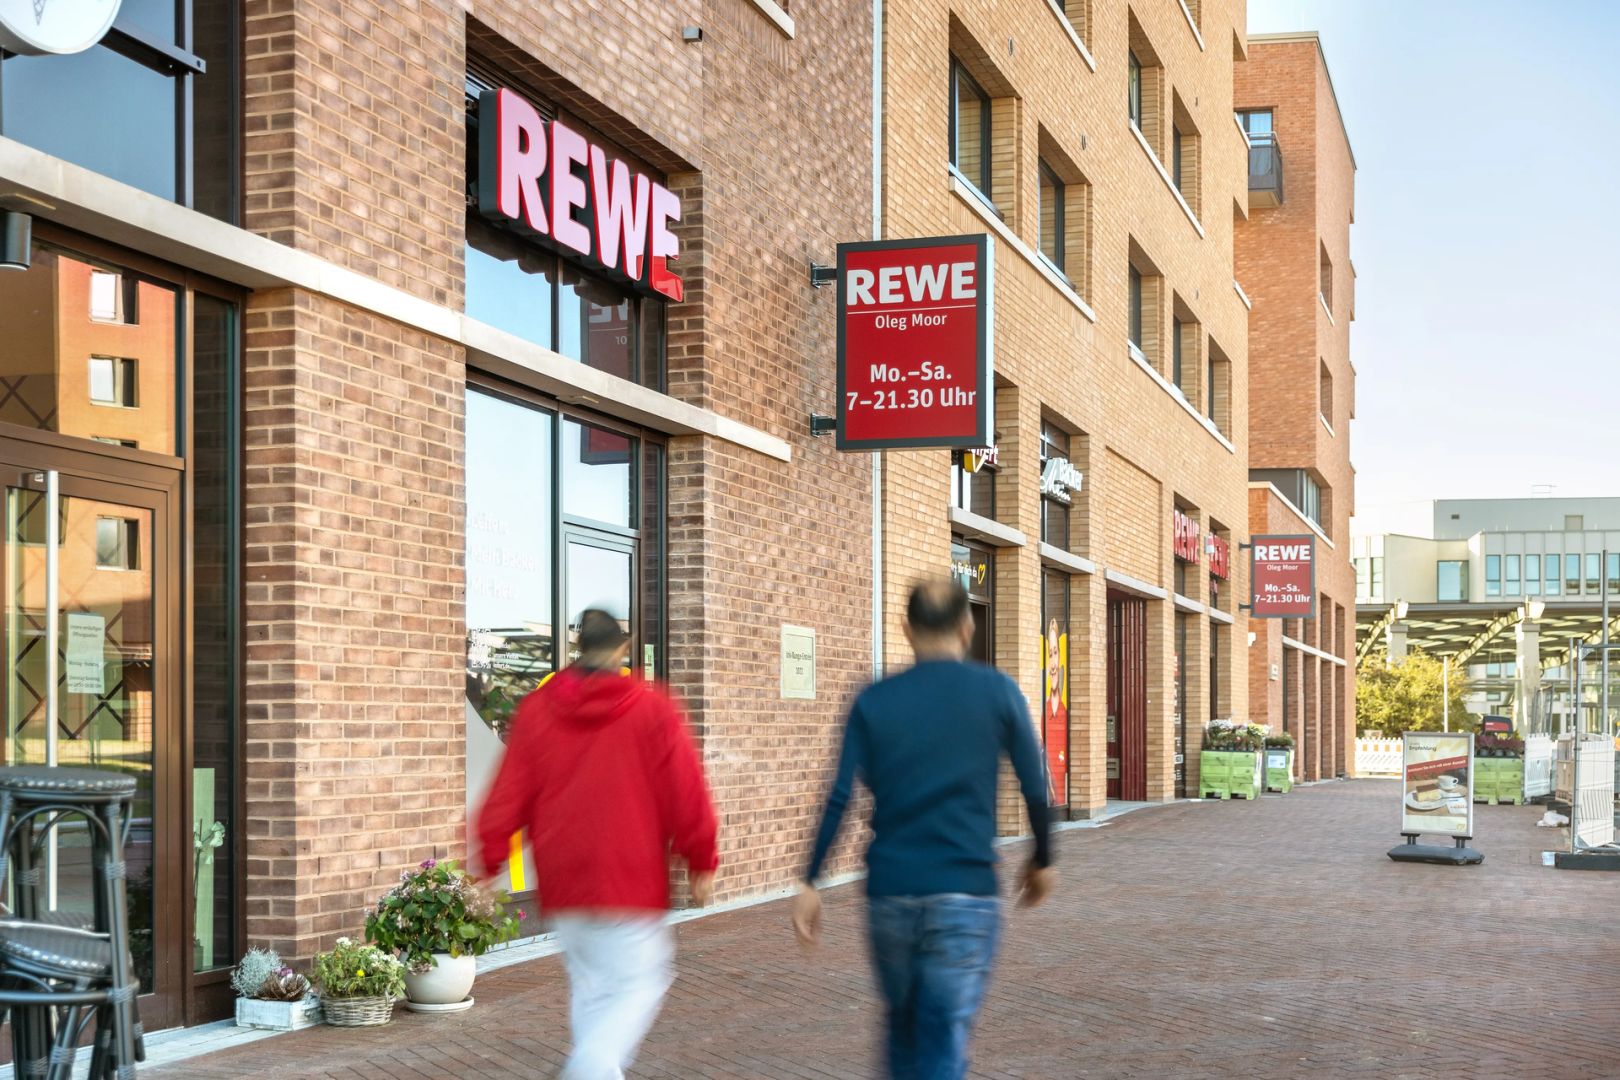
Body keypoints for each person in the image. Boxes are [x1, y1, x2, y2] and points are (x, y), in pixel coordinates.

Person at [793, 577, 1057, 1080]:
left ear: (906, 629)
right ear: (967, 626)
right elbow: (1034, 784)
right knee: (941, 1038)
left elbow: (839, 794)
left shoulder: (873, 699)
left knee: (902, 1029)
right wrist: (1043, 859)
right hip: (965, 892)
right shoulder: (998, 692)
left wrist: (810, 880)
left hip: (890, 894)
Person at [474, 609, 718, 1080]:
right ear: (622, 650)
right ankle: (589, 1069)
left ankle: (592, 1066)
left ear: (578, 648)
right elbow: (686, 792)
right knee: (638, 983)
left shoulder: (538, 712)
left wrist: (488, 862)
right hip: (630, 878)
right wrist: (701, 859)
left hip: (564, 880)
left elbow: (507, 796)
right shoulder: (652, 709)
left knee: (591, 989)